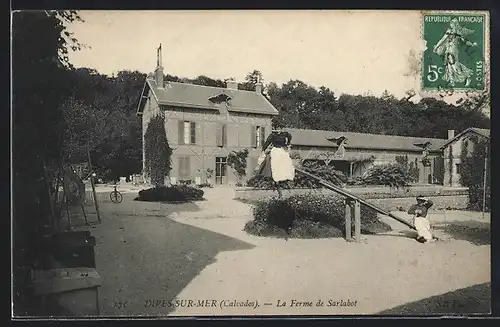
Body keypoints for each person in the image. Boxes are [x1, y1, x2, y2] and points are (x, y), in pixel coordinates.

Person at [432, 18, 477, 87]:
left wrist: (472, 44)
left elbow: (465, 41)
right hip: (448, 49)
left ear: (455, 24)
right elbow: (443, 40)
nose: (451, 25)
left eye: (452, 23)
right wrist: (436, 47)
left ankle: (467, 77)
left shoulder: (458, 32)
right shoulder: (449, 31)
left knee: (454, 65)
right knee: (448, 65)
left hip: (453, 50)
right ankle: (452, 81)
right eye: (451, 23)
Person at [255, 125, 295, 198]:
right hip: (275, 150)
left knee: (287, 162)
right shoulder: (273, 135)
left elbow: (289, 137)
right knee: (275, 164)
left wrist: (288, 143)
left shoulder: (285, 134)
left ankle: (286, 178)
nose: (278, 130)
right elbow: (267, 142)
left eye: (280, 128)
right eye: (277, 128)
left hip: (282, 150)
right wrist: (263, 149)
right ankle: (276, 179)